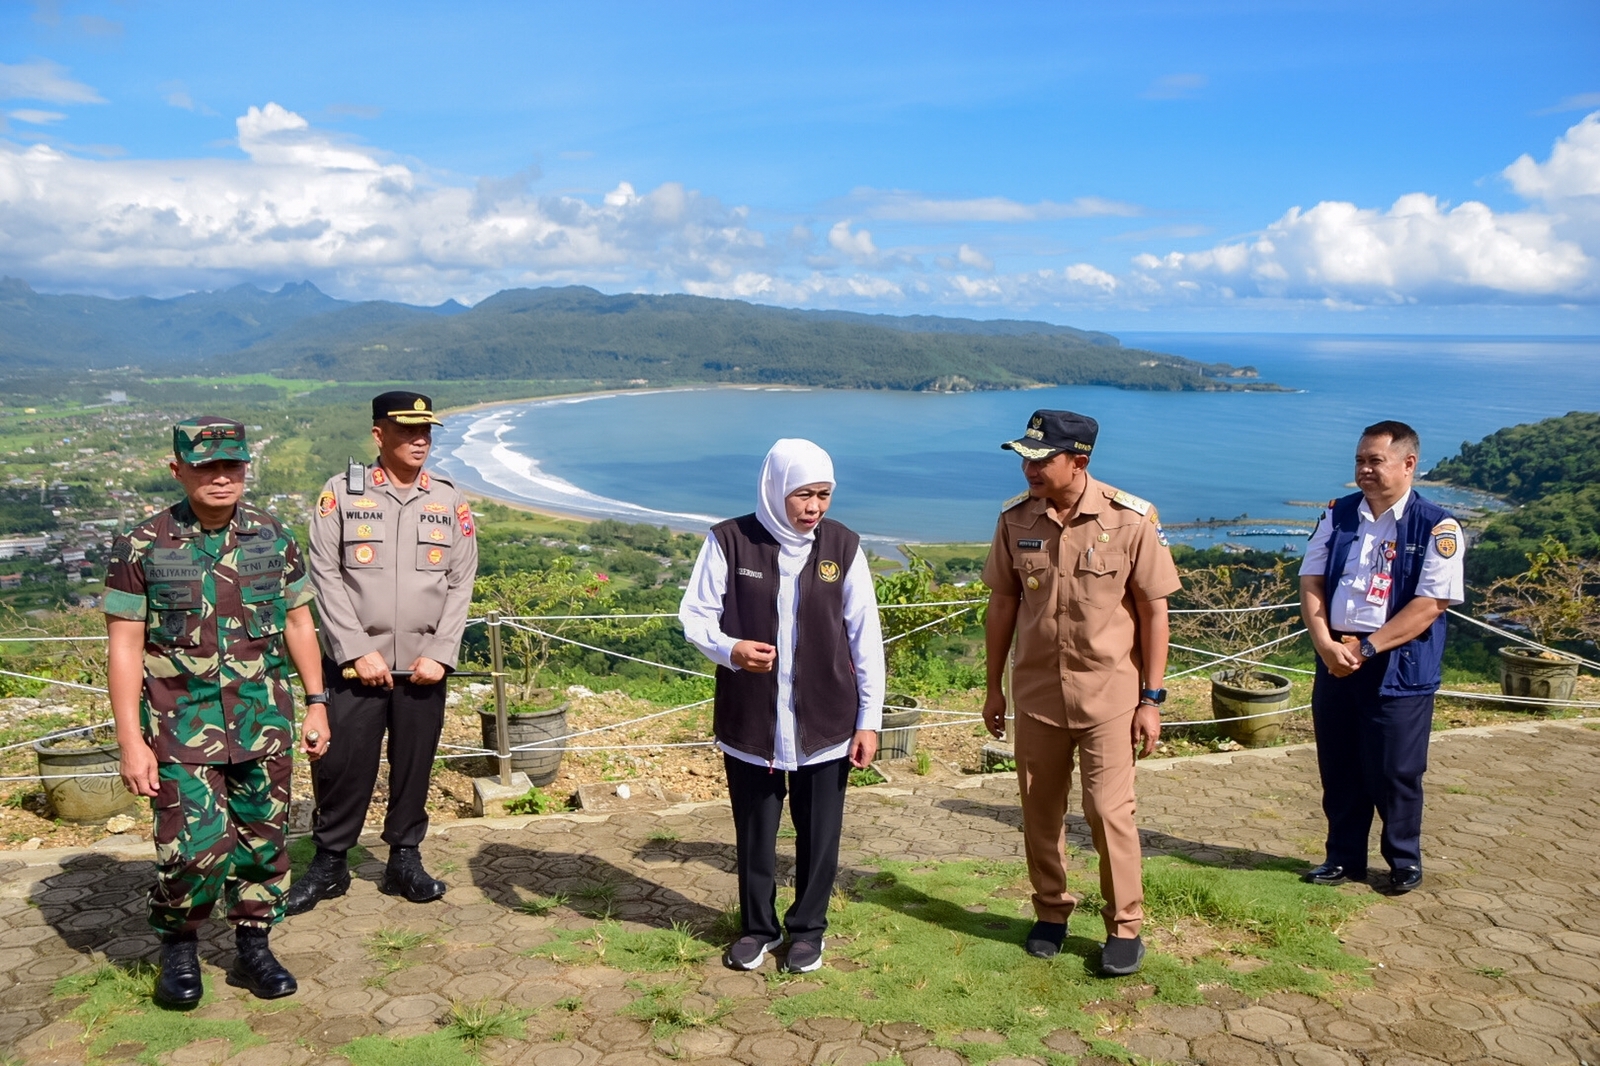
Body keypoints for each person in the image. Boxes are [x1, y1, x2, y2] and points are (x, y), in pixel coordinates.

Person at [104, 418, 329, 1008]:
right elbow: (125, 646)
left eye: (233, 465)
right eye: (207, 466)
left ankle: (254, 943)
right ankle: (179, 943)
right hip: (179, 728)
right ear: (178, 470)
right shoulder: (143, 544)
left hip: (265, 721)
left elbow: (299, 623)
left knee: (264, 842)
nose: (222, 477)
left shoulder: (271, 535)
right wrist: (131, 740)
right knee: (193, 848)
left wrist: (317, 703)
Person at [980, 410, 1179, 977]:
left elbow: (1153, 610)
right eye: (1025, 457)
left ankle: (1124, 926)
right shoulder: (1016, 519)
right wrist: (993, 688)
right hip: (1038, 694)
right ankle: (1050, 912)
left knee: (1107, 811)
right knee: (1038, 810)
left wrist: (1152, 698)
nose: (1029, 469)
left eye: (1041, 459)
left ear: (1080, 462)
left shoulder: (1131, 519)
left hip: (1111, 695)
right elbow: (1002, 605)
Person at [679, 439, 884, 974]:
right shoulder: (730, 540)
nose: (814, 508)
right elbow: (695, 616)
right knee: (755, 832)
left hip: (827, 722)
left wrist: (870, 720)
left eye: (824, 495)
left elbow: (866, 639)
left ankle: (808, 930)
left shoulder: (843, 546)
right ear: (775, 489)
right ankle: (757, 928)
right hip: (752, 720)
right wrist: (731, 649)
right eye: (803, 495)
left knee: (820, 834)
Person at [285, 391, 479, 914]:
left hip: (424, 666)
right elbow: (323, 574)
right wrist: (353, 650)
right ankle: (329, 863)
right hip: (355, 666)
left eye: (427, 432)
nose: (420, 441)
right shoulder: (341, 495)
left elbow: (461, 582)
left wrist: (442, 652)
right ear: (379, 435)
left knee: (414, 764)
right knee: (342, 764)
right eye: (407, 431)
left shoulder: (448, 499)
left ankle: (404, 859)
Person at [1298, 420, 1464, 895]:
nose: (1364, 470)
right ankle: (1343, 858)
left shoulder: (1437, 526)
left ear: (1408, 464)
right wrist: (1326, 644)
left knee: (1395, 769)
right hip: (1336, 656)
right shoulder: (1338, 514)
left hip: (1398, 665)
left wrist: (1366, 648)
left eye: (1376, 461)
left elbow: (1431, 604)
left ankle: (1403, 859)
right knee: (1340, 764)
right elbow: (1312, 581)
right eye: (1359, 460)